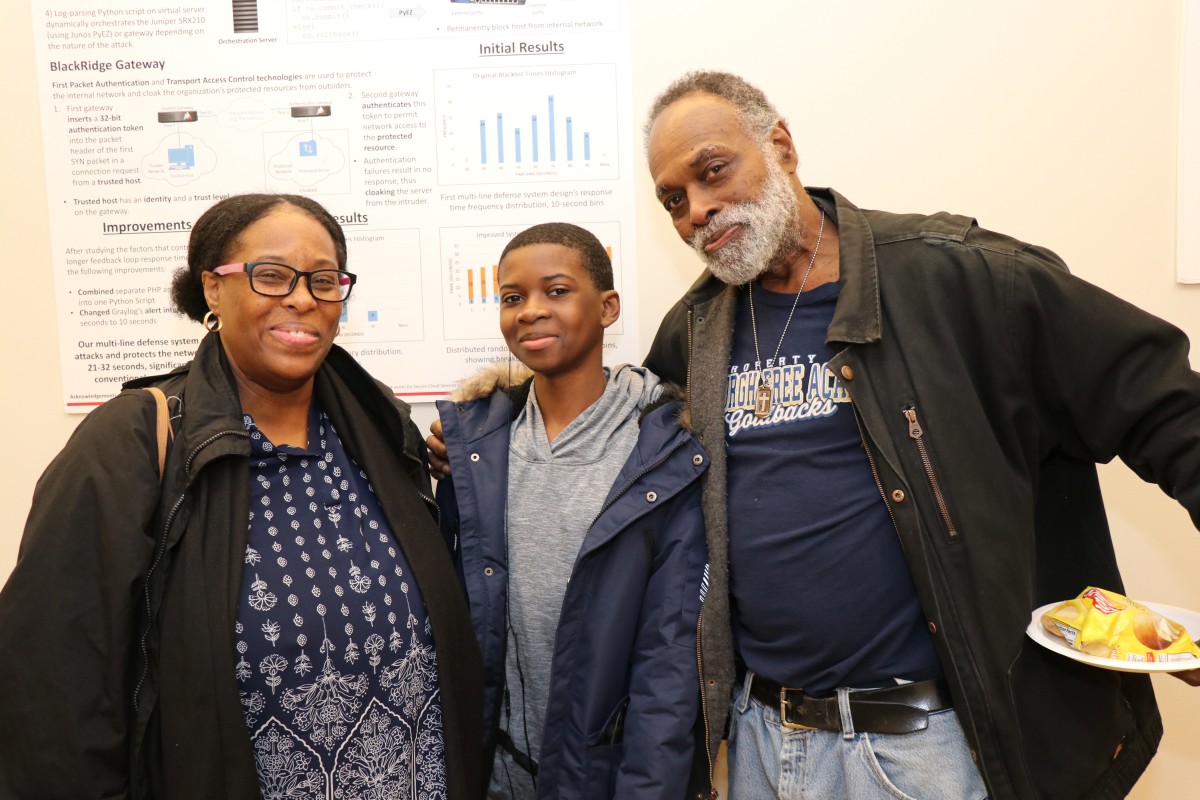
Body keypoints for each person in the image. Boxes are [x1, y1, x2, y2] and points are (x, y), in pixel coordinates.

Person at [638, 70, 1200, 799]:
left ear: (780, 144)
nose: (698, 211)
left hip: (929, 752)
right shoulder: (695, 331)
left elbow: (1163, 402)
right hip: (763, 746)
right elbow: (630, 471)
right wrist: (491, 431)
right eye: (674, 201)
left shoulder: (960, 278)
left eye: (713, 171)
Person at [0, 193, 483, 799]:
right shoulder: (129, 443)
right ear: (212, 290)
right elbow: (51, 688)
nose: (303, 298)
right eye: (272, 276)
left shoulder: (380, 428)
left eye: (323, 280)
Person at [434, 222, 709, 798]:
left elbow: (670, 660)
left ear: (607, 307)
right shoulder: (480, 444)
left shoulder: (661, 453)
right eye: (512, 297)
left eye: (556, 290)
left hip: (604, 777)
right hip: (496, 774)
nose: (530, 310)